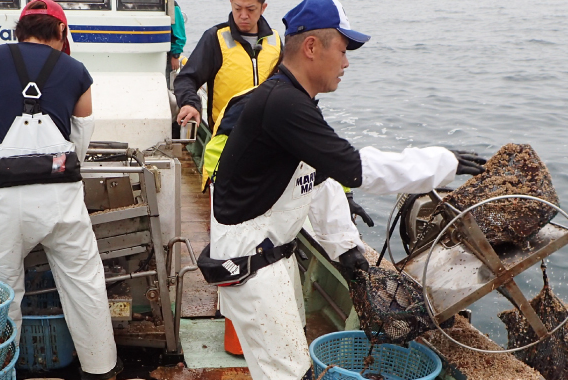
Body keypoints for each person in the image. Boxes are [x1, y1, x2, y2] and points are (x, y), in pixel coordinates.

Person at [202, 0, 487, 378]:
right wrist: (441, 164)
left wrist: (345, 247)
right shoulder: (283, 104)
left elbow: (317, 181)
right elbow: (355, 168)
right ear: (311, 48)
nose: (347, 62)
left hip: (271, 258)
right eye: (342, 50)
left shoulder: (295, 101)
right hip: (252, 268)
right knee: (288, 373)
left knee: (287, 367)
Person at [0, 1, 121, 379]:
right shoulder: (77, 72)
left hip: (3, 198)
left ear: (19, 29)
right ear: (62, 33)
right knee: (84, 283)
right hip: (60, 198)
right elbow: (80, 137)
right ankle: (101, 369)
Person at [172, 0, 282, 189]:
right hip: (227, 141)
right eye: (238, 8)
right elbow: (186, 79)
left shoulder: (277, 42)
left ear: (263, 8)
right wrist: (190, 103)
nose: (243, 15)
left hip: (268, 142)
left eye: (250, 9)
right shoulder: (215, 38)